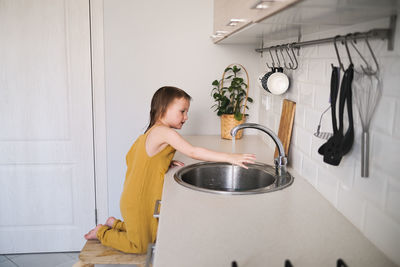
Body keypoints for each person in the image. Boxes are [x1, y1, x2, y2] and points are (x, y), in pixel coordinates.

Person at [84, 86, 256, 253]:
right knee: (140, 246)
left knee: (152, 234)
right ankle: (101, 232)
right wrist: (230, 157)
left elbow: (136, 159)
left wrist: (163, 161)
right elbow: (193, 151)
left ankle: (114, 223)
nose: (186, 117)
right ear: (164, 109)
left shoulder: (153, 131)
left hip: (135, 195)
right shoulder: (164, 132)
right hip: (139, 200)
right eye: (182, 111)